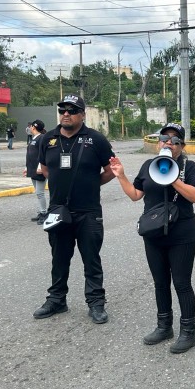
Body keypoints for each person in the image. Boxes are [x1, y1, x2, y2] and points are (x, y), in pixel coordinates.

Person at [109, 122, 195, 353]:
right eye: (164, 139)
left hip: (182, 234)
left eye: (175, 140)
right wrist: (121, 176)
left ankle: (188, 332)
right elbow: (135, 195)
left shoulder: (189, 167)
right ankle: (164, 326)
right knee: (160, 282)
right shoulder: (148, 166)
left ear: (182, 146)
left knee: (181, 283)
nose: (168, 143)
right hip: (153, 233)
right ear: (158, 143)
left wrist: (172, 177)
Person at [34, 94, 116, 324]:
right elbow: (45, 168)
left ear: (82, 114)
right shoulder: (48, 139)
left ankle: (96, 303)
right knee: (59, 258)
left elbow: (111, 170)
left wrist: (91, 184)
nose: (66, 114)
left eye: (72, 110)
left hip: (88, 211)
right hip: (58, 210)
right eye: (62, 110)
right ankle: (57, 300)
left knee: (91, 259)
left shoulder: (96, 139)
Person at [23, 119, 47, 223]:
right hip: (32, 169)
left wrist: (41, 167)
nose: (30, 128)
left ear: (33, 127)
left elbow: (44, 154)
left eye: (31, 126)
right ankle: (41, 211)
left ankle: (44, 213)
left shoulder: (41, 138)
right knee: (38, 192)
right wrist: (26, 168)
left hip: (39, 169)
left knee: (40, 192)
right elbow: (29, 154)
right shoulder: (34, 138)